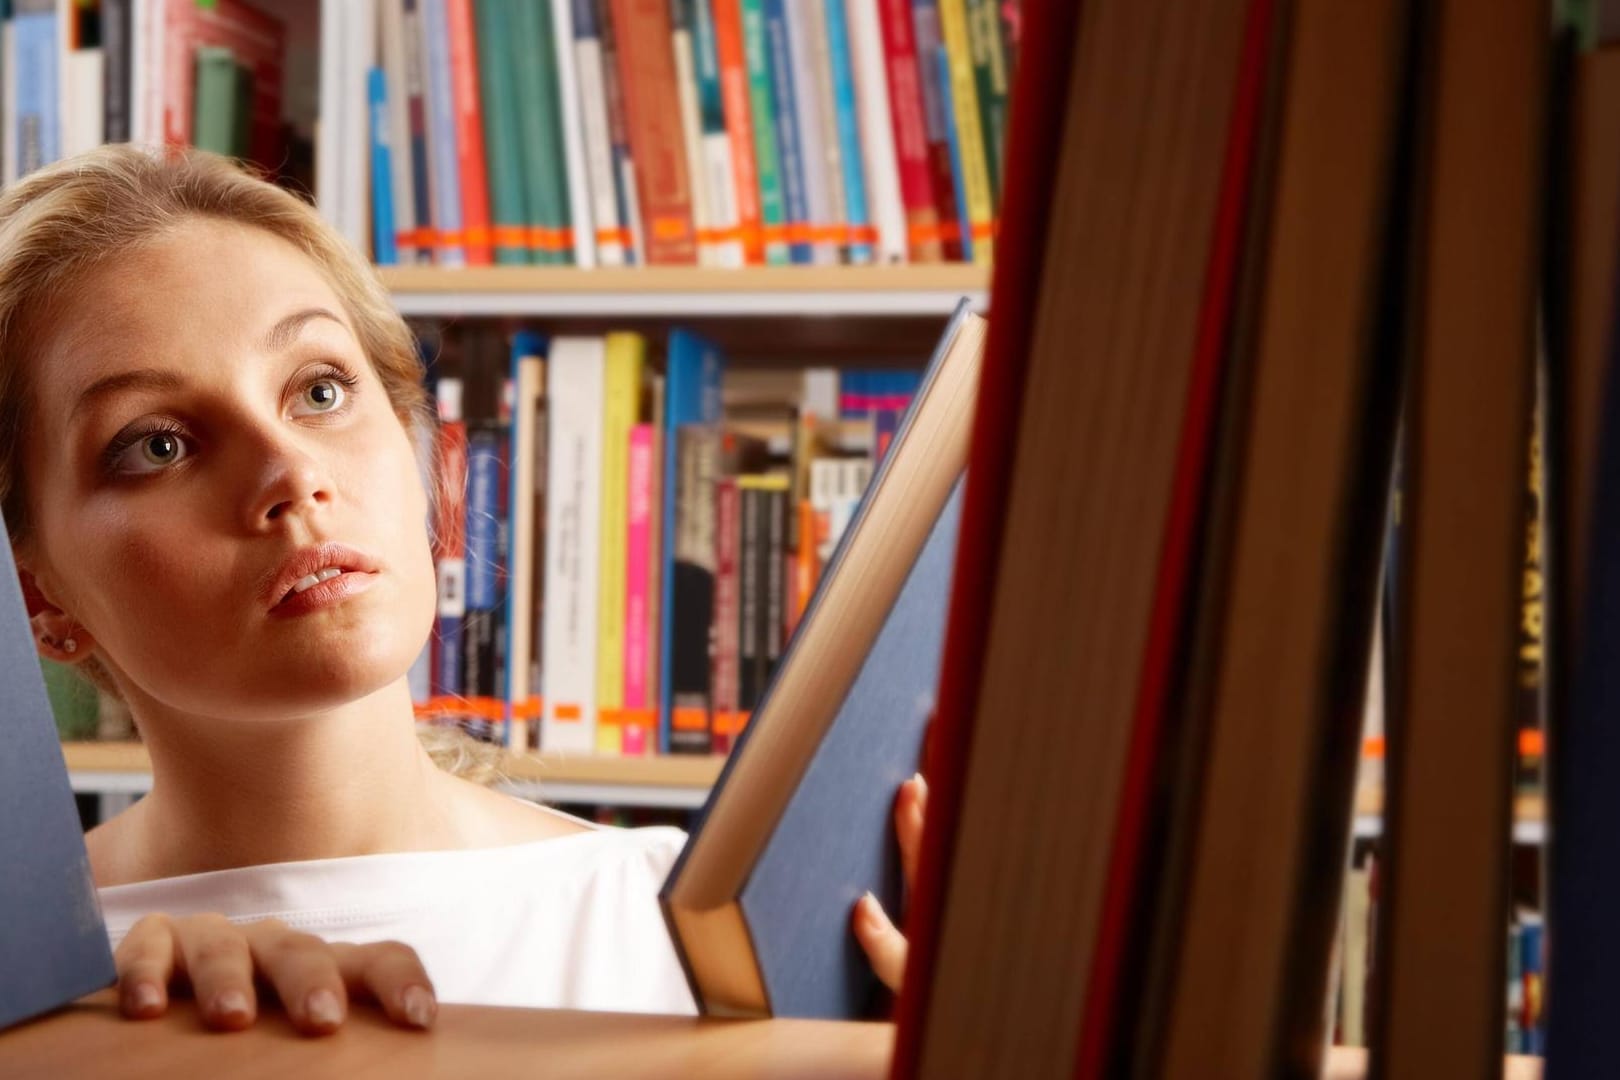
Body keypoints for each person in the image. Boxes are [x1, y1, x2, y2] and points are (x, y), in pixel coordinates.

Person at [0, 144, 924, 1036]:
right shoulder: (33, 993)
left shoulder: (698, 933)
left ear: (418, 448)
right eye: (158, 444)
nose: (290, 472)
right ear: (33, 593)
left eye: (320, 391)